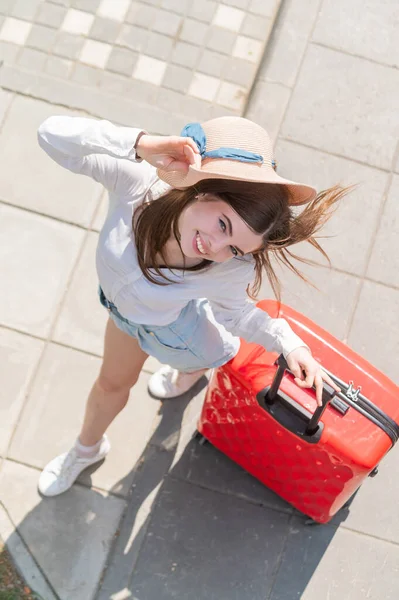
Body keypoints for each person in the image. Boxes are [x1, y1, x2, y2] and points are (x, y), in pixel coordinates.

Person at [36, 115, 345, 497]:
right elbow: (50, 135)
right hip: (125, 315)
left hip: (175, 333)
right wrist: (139, 142)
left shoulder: (231, 266)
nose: (216, 248)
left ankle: (190, 373)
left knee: (206, 351)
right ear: (204, 191)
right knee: (112, 385)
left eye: (233, 247)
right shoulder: (137, 185)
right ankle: (87, 450)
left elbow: (240, 314)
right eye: (223, 225)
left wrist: (292, 344)